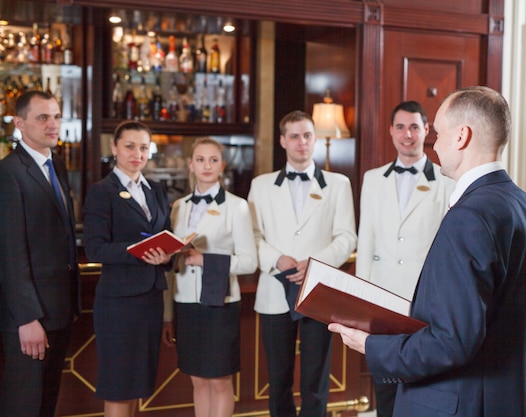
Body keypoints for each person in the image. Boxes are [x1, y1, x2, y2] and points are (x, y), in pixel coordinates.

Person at [330, 86, 526, 417]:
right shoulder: (525, 205)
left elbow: (452, 342)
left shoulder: (469, 216)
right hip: (505, 399)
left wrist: (370, 345)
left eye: (438, 131)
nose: (433, 143)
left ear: (461, 136)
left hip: (459, 403)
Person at [247, 110, 357, 417]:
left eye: (307, 135)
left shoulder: (338, 184)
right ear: (283, 141)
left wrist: (317, 263)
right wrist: (276, 259)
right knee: (278, 379)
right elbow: (252, 236)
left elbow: (347, 236)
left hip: (319, 291)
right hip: (274, 293)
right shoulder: (261, 185)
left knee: (315, 380)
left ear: (315, 140)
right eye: (294, 136)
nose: (302, 142)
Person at [356, 101, 454, 417]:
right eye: (400, 127)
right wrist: (361, 296)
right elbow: (365, 238)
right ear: (391, 131)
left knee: (422, 385)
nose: (407, 134)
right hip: (381, 300)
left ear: (426, 131)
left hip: (424, 300)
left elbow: (446, 246)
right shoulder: (372, 179)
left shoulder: (446, 179)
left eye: (414, 127)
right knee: (385, 385)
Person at [161, 137, 258, 417]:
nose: (207, 165)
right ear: (191, 165)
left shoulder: (236, 206)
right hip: (185, 300)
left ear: (222, 165)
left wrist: (205, 259)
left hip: (220, 302)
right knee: (197, 378)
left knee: (219, 379)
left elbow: (249, 262)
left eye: (213, 160)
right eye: (201, 159)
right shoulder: (178, 206)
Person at [83, 120, 172, 417]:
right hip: (118, 302)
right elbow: (95, 248)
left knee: (138, 384)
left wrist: (165, 255)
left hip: (150, 299)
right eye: (130, 146)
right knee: (119, 385)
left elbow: (165, 238)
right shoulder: (101, 191)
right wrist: (139, 252)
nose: (137, 153)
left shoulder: (157, 191)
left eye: (144, 147)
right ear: (114, 148)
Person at [0, 91, 80, 417]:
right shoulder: (8, 172)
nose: (53, 125)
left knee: (46, 403)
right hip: (30, 317)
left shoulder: (55, 164)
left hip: (58, 309)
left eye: (57, 116)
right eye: (43, 118)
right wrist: (27, 317)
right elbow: (9, 253)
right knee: (24, 405)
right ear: (20, 123)